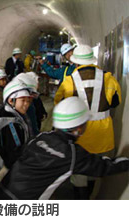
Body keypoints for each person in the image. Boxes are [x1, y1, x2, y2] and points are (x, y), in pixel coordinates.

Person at [0, 97, 129, 200]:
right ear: (79, 127)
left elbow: (16, 155)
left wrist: (5, 168)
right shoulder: (72, 154)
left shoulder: (41, 137)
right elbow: (106, 167)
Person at [53, 44, 122, 199]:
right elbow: (115, 102)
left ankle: (80, 200)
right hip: (103, 136)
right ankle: (89, 198)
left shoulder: (68, 82)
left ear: (76, 62)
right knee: (94, 172)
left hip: (78, 136)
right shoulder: (108, 78)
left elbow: (60, 106)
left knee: (78, 173)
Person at [0, 80, 32, 183]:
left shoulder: (6, 111)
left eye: (28, 100)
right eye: (23, 100)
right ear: (11, 101)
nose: (27, 104)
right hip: (10, 168)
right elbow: (15, 153)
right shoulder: (10, 123)